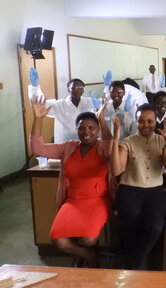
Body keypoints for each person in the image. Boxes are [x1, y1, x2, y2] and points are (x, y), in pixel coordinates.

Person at [30, 98, 115, 267]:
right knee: (59, 240)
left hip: (98, 199)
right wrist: (38, 119)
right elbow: (39, 149)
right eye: (81, 128)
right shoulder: (69, 147)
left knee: (89, 238)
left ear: (97, 130)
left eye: (91, 128)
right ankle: (86, 254)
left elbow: (110, 146)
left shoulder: (101, 148)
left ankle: (88, 251)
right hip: (73, 201)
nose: (86, 132)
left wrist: (103, 120)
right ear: (75, 130)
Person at [110, 103, 166, 269]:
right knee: (132, 229)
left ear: (155, 122)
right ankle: (139, 269)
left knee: (155, 227)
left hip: (155, 192)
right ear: (136, 122)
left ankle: (133, 265)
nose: (146, 125)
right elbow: (117, 169)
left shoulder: (161, 140)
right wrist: (115, 140)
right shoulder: (128, 141)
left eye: (150, 121)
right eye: (141, 121)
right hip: (130, 191)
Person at [29, 70, 93, 143]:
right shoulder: (60, 104)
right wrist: (34, 88)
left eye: (80, 88)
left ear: (83, 90)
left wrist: (107, 89)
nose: (77, 90)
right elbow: (39, 105)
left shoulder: (89, 102)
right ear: (68, 90)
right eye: (73, 88)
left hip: (86, 141)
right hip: (65, 142)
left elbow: (108, 106)